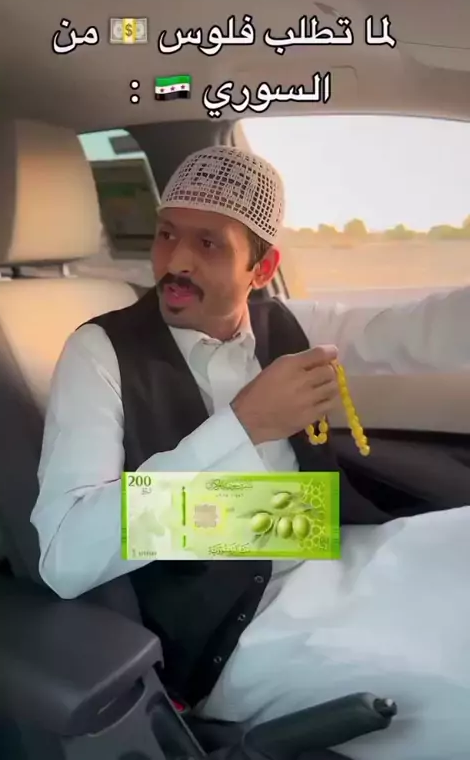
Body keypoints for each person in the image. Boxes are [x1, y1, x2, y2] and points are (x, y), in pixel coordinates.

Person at [31, 145, 470, 760]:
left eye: (208, 243)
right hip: (239, 627)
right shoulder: (98, 352)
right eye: (166, 234)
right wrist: (241, 426)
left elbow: (413, 331)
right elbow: (65, 554)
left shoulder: (281, 326)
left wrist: (284, 510)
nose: (175, 262)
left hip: (322, 543)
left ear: (262, 269)